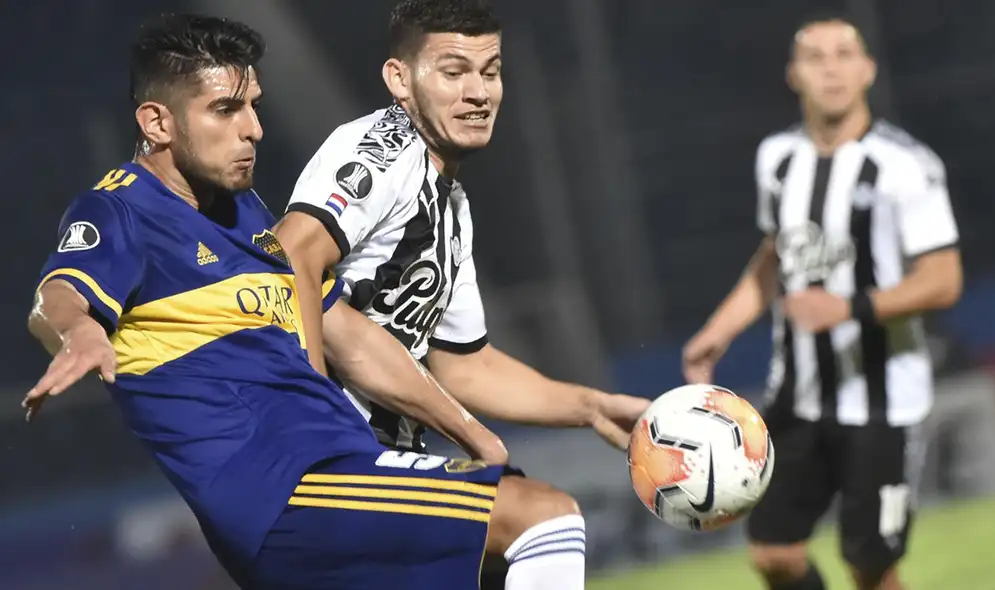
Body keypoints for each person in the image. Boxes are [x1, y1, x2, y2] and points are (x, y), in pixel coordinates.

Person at [26, 13, 589, 590]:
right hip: (280, 491)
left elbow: (349, 334)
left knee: (493, 566)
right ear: (157, 122)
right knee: (543, 518)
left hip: (333, 469)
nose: (253, 130)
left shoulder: (242, 212)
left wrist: (472, 431)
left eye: (254, 107)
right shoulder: (121, 209)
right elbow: (59, 295)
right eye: (226, 110)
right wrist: (81, 331)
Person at [275, 1, 649, 585]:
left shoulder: (448, 201)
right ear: (400, 79)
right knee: (544, 521)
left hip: (378, 456)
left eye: (491, 71)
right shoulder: (381, 150)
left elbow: (460, 364)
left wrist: (593, 407)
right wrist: (313, 413)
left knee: (506, 549)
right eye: (454, 72)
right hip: (330, 461)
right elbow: (290, 255)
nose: (479, 92)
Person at [682, 13, 962, 590]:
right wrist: (722, 326)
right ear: (793, 75)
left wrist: (851, 308)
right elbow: (773, 256)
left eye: (844, 55)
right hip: (798, 396)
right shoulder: (777, 158)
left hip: (883, 403)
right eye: (816, 57)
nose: (831, 68)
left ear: (867, 71)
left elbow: (943, 279)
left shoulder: (904, 165)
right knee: (773, 554)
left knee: (870, 566)